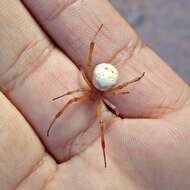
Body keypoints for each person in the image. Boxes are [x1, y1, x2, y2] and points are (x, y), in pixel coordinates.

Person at [0, 0, 190, 189]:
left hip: (100, 84)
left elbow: (85, 78)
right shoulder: (97, 92)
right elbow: (88, 76)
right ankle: (70, 131)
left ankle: (104, 153)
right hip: (100, 84)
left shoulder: (93, 91)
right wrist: (135, 80)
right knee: (76, 97)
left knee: (82, 106)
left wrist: (135, 80)